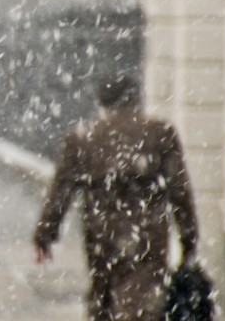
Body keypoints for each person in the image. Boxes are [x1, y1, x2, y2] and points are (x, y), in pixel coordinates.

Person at [33, 74, 198, 321]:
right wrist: (189, 237)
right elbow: (180, 191)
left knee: (103, 295)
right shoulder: (159, 133)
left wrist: (46, 233)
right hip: (148, 233)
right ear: (135, 98)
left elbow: (61, 190)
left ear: (102, 102)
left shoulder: (82, 138)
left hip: (101, 232)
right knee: (141, 302)